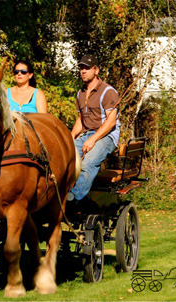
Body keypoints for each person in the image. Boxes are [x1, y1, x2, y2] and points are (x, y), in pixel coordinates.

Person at [67, 54, 121, 204]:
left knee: (88, 162)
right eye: (81, 68)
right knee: (65, 158)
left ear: (96, 70)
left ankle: (73, 199)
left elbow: (110, 123)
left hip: (106, 136)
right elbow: (81, 119)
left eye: (87, 68)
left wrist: (92, 139)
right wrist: (71, 136)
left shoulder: (107, 91)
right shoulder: (80, 93)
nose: (83, 71)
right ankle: (59, 194)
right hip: (87, 134)